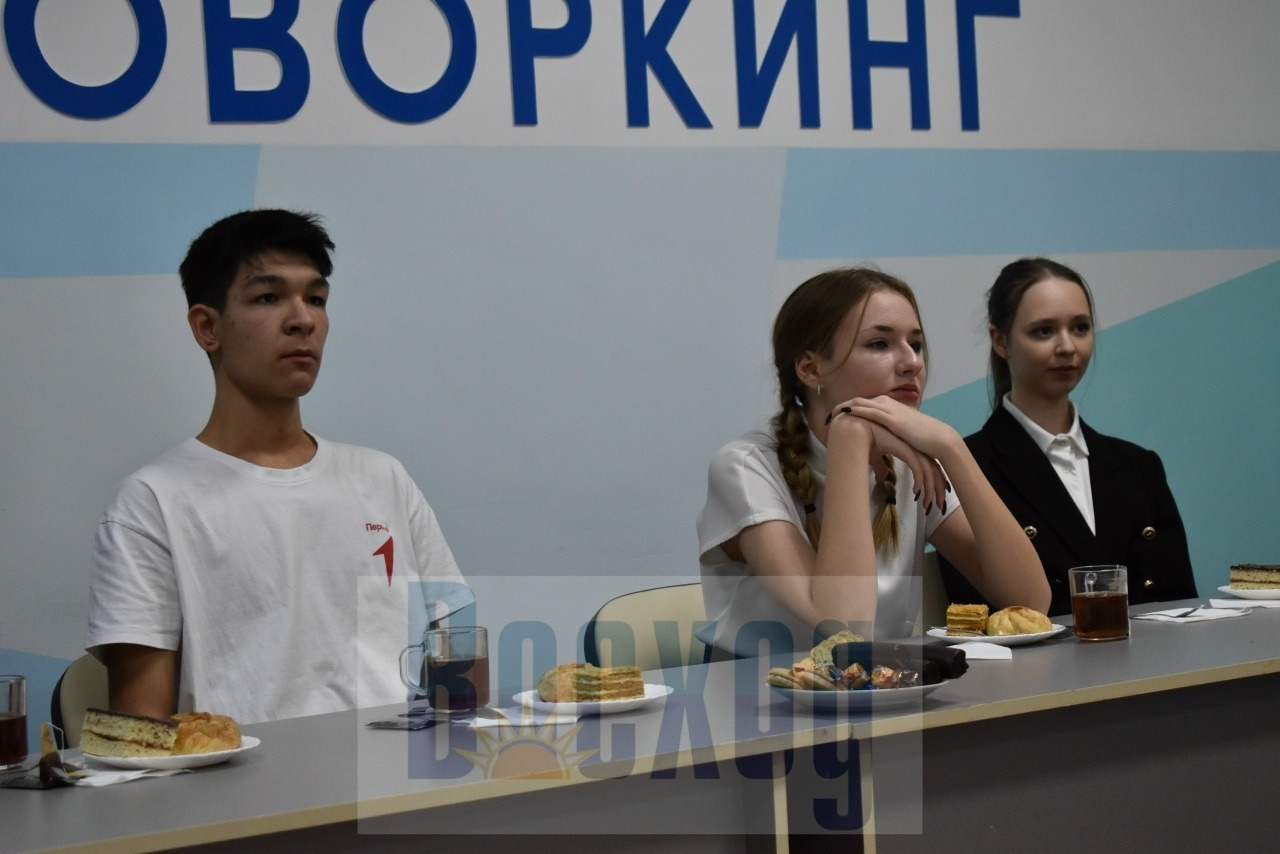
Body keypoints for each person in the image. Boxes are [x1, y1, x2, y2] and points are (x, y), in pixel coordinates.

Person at [86, 209, 474, 723]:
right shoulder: (152, 502)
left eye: (316, 299)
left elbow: (458, 666)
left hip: (399, 766)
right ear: (207, 327)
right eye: (268, 298)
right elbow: (144, 731)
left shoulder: (383, 478)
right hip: (242, 774)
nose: (303, 320)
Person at [697, 268, 1050, 658]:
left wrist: (952, 448)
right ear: (810, 368)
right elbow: (845, 627)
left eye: (916, 344)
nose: (912, 363)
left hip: (875, 684)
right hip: (756, 689)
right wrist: (850, 439)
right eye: (880, 344)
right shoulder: (744, 468)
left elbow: (1030, 601)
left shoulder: (911, 464)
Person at [937, 258, 1197, 616]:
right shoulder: (964, 466)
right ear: (1000, 340)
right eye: (1044, 331)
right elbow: (975, 619)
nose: (1067, 347)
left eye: (1080, 328)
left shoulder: (1139, 466)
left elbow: (1182, 607)